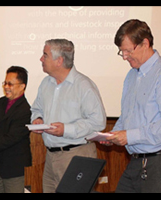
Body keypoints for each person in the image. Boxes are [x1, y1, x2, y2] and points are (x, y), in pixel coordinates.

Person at [30, 39, 106, 193]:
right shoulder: (46, 83)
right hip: (51, 157)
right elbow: (36, 108)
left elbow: (98, 122)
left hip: (77, 154)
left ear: (59, 60)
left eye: (45, 55)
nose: (41, 59)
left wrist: (67, 129)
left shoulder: (83, 86)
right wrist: (37, 119)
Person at [101, 19, 161, 193]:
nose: (125, 56)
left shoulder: (160, 74)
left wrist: (129, 136)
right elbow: (128, 115)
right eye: (122, 52)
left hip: (157, 163)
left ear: (145, 43)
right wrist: (113, 134)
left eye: (128, 50)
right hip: (135, 162)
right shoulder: (131, 76)